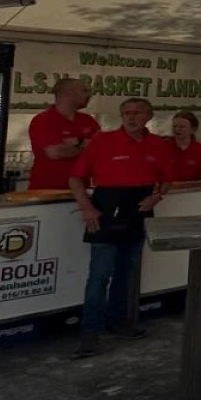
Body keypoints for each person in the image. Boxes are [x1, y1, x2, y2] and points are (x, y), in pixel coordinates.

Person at [69, 98, 170, 358]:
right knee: (99, 275)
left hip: (138, 211)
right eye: (126, 112)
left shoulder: (158, 145)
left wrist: (157, 197)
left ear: (149, 115)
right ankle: (89, 333)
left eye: (137, 112)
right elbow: (76, 178)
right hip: (105, 210)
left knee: (127, 272)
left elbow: (166, 181)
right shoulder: (102, 141)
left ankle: (119, 322)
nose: (131, 117)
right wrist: (87, 208)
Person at [28, 77, 98, 191]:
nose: (90, 95)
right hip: (47, 191)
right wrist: (86, 145)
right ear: (68, 93)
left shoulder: (88, 120)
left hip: (81, 191)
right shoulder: (44, 120)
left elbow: (101, 149)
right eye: (84, 91)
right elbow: (55, 153)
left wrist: (76, 143)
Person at [165, 111, 201, 185]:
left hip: (193, 192)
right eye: (174, 126)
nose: (177, 129)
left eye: (182, 127)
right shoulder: (162, 147)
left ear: (193, 130)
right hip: (167, 192)